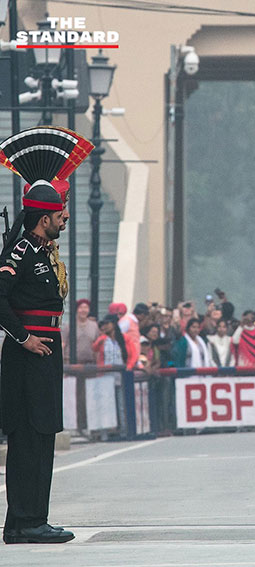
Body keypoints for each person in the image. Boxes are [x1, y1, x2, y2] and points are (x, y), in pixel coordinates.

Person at [0, 124, 92, 544]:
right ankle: (25, 520)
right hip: (26, 355)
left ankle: (30, 518)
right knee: (29, 437)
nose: (65, 218)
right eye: (59, 214)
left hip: (45, 354)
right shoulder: (19, 251)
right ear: (43, 218)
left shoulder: (44, 253)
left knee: (42, 435)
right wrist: (22, 338)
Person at [62, 298, 98, 364]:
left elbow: (97, 345)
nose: (83, 310)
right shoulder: (69, 325)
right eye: (81, 307)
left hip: (89, 364)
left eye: (86, 307)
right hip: (71, 364)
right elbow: (63, 344)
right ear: (77, 309)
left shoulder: (94, 325)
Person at [119, 302, 149, 370]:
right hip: (126, 359)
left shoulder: (133, 322)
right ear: (142, 315)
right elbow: (119, 336)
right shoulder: (127, 321)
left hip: (133, 359)